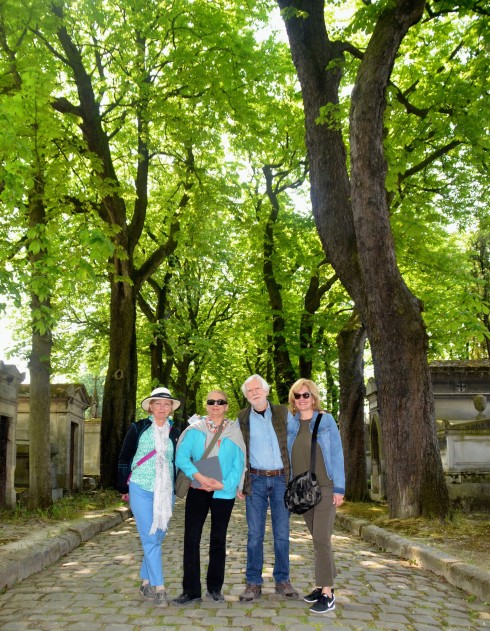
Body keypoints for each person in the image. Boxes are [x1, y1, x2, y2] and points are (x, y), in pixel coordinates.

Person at [173, 390, 246, 605]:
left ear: (227, 406)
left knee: (218, 539)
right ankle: (191, 590)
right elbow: (181, 456)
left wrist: (224, 484)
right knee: (192, 538)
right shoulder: (194, 430)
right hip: (197, 488)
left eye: (220, 401)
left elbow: (239, 463)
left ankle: (215, 588)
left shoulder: (234, 431)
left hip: (223, 492)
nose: (216, 405)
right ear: (206, 405)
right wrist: (199, 476)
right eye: (211, 401)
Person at [117, 387, 180, 608]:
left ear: (171, 408)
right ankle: (159, 588)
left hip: (165, 492)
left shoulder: (176, 431)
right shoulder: (138, 428)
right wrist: (122, 486)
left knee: (157, 538)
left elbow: (183, 458)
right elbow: (125, 456)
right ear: (151, 406)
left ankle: (145, 581)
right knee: (150, 538)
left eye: (167, 404)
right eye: (158, 403)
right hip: (141, 488)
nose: (162, 407)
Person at [237, 375, 299, 602]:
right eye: (249, 390)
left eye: (257, 388)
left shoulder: (283, 413)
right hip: (256, 480)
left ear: (266, 390)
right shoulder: (241, 418)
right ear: (246, 396)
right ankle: (253, 583)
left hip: (282, 479)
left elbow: (297, 438)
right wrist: (239, 483)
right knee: (254, 535)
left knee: (282, 534)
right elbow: (236, 451)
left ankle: (282, 581)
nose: (254, 392)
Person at [287, 378, 345, 615]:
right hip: (303, 489)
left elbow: (337, 453)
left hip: (326, 486)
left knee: (322, 539)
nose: (302, 400)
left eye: (306, 395)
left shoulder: (325, 420)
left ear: (313, 397)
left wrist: (339, 488)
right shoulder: (290, 424)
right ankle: (322, 584)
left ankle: (328, 594)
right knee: (318, 539)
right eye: (297, 396)